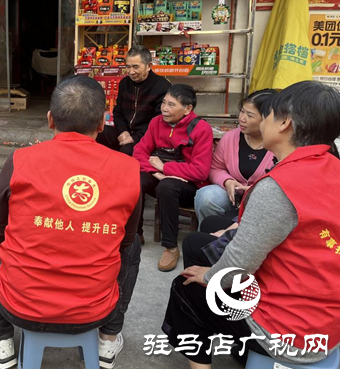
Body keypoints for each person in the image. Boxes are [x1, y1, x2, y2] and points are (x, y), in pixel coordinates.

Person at [0, 76, 142, 369]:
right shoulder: (129, 168)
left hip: (21, 305)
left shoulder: (20, 160)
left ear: (49, 119)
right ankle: (107, 340)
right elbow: (126, 241)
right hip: (95, 309)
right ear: (102, 123)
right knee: (132, 249)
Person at [163, 80, 340, 368]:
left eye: (268, 114)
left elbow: (236, 268)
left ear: (285, 123)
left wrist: (209, 276)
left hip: (287, 332)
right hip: (328, 322)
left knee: (188, 289)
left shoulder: (279, 187)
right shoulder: (333, 166)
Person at [133, 84, 213, 272]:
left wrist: (165, 167)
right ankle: (135, 235)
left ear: (188, 109)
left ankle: (171, 247)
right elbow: (139, 153)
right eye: (163, 103)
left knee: (167, 186)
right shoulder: (156, 123)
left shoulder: (201, 129)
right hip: (162, 176)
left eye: (171, 105)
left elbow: (200, 171)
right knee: (136, 178)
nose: (164, 109)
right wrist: (157, 173)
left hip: (189, 187)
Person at [194, 90, 276, 227]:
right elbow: (215, 168)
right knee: (206, 196)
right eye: (242, 111)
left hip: (261, 202)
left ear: (267, 119)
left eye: (250, 115)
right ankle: (211, 235)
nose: (242, 118)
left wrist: (252, 190)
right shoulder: (230, 137)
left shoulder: (278, 144)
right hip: (232, 198)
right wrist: (227, 181)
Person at [96, 45, 171, 155]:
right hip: (125, 132)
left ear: (149, 66)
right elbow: (118, 112)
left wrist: (134, 138)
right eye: (128, 67)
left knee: (127, 151)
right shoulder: (124, 83)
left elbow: (159, 120)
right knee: (100, 134)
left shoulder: (162, 86)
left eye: (135, 67)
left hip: (147, 136)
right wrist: (123, 131)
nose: (131, 72)